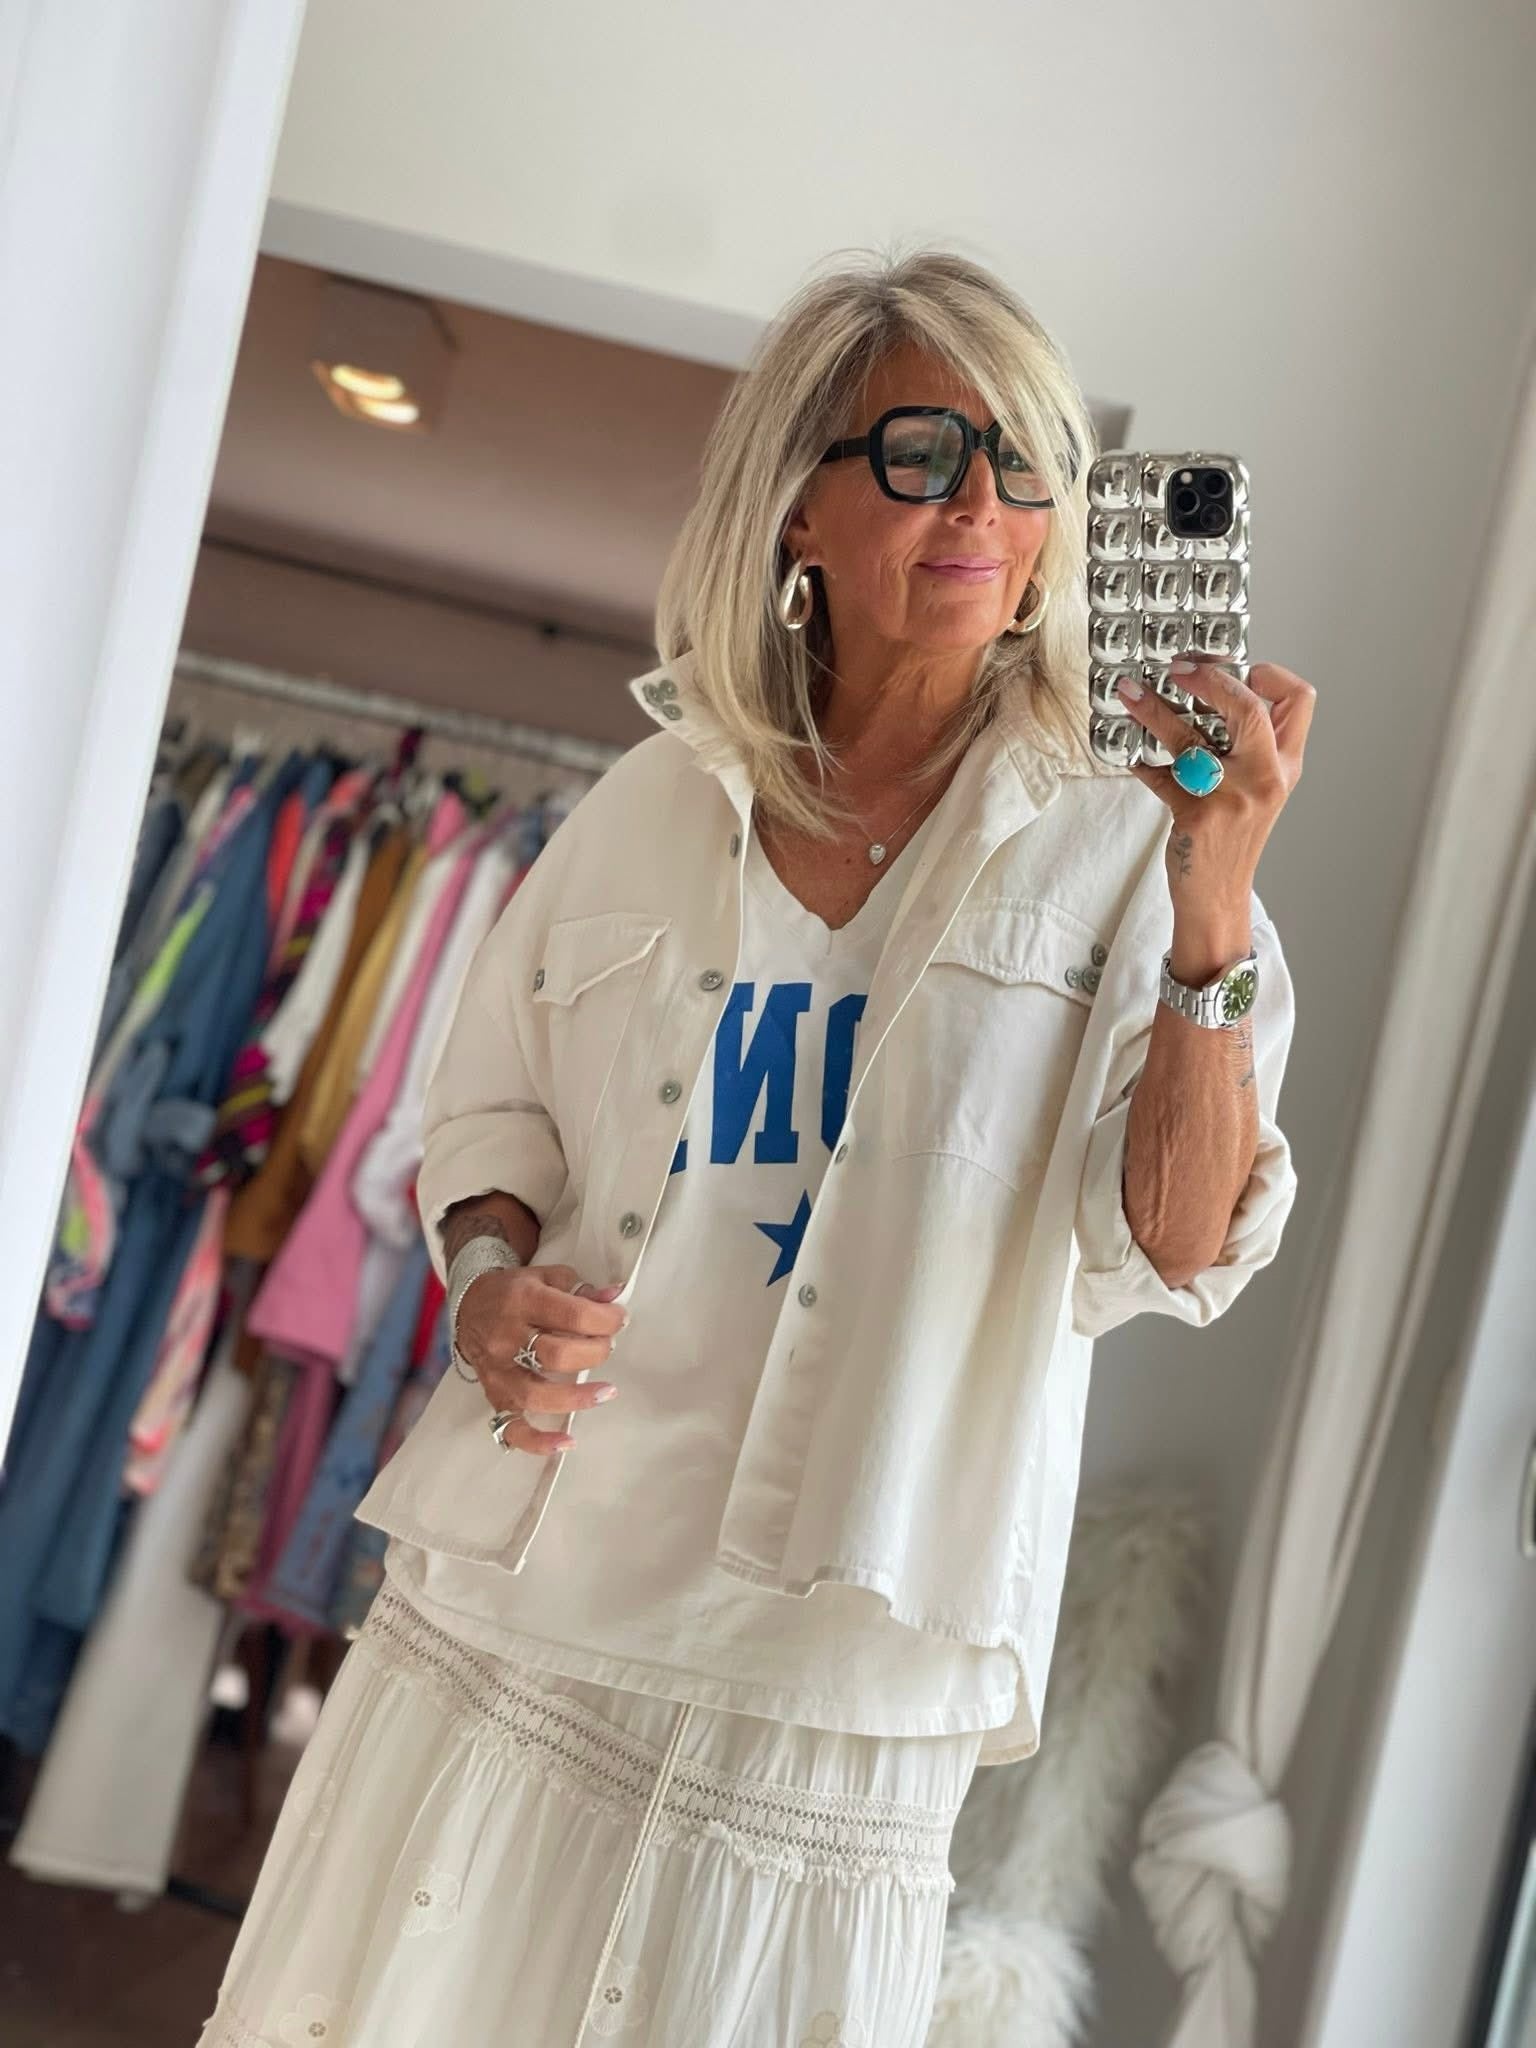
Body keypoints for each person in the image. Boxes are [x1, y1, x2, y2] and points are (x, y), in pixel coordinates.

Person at [196, 246, 1312, 2048]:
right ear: (799, 505)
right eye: (925, 453)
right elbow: (488, 1117)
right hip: (525, 1595)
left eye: (1027, 462)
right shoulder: (653, 799)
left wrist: (1213, 900)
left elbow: (1173, 1249)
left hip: (842, 1664)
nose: (983, 505)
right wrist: (485, 1282)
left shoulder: (1130, 851)